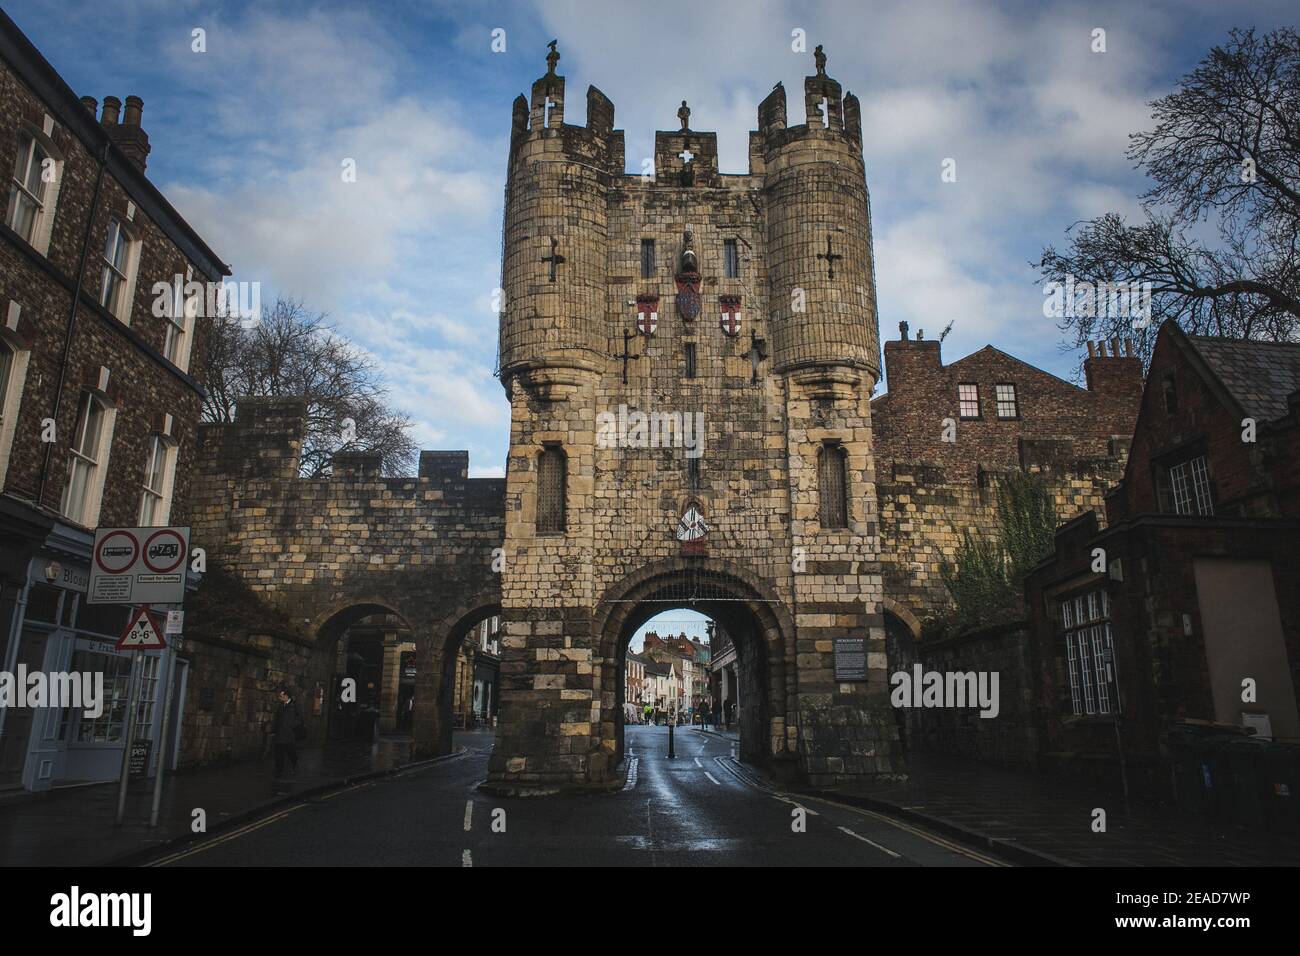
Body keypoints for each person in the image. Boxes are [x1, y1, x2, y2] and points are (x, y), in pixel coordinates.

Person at [271, 684, 304, 777]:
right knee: (278, 751)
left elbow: (300, 718)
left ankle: (295, 763)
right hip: (280, 732)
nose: (280, 698)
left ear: (286, 696)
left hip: (289, 733)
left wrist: (292, 725)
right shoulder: (280, 706)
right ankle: (279, 769)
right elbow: (276, 718)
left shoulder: (295, 705)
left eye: (281, 696)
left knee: (290, 751)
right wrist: (273, 730)